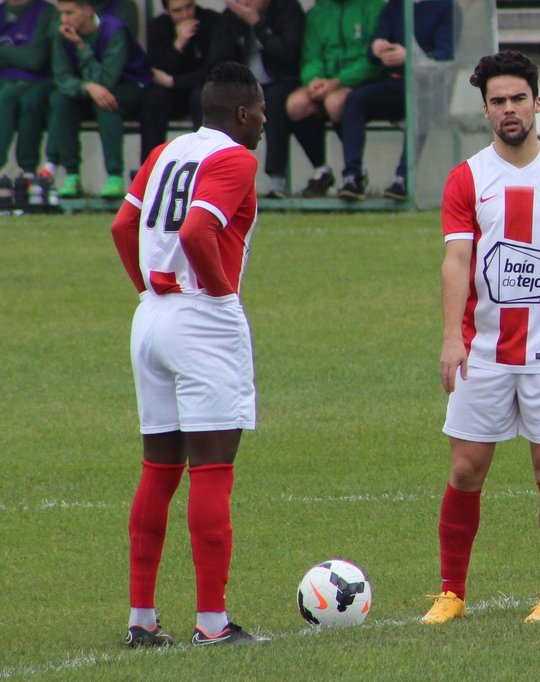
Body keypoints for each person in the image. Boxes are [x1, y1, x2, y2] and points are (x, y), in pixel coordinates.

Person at [422, 51, 540, 625]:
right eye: (498, 101)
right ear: (485, 110)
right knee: (465, 470)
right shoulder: (467, 178)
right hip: (481, 351)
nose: (509, 109)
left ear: (537, 102)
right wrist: (451, 338)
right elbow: (457, 260)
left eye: (518, 99)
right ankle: (451, 593)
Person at [111, 61, 266, 648]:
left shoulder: (164, 152)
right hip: (202, 317)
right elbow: (199, 232)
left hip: (151, 317)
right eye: (261, 113)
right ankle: (212, 624)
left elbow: (123, 227)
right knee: (212, 468)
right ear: (242, 113)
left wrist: (146, 290)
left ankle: (142, 620)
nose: (264, 122)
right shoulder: (236, 159)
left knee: (159, 468)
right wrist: (221, 297)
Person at [336, 0, 453, 201]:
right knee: (355, 100)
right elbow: (374, 51)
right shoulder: (396, 6)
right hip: (398, 84)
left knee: (420, 105)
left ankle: (403, 178)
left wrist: (411, 57)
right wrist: (377, 48)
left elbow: (445, 54)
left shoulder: (445, 6)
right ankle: (352, 177)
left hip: (431, 87)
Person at [208, 0, 324, 199]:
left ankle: (277, 180)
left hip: (282, 80)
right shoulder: (230, 17)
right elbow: (218, 61)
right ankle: (216, 179)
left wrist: (257, 24)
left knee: (273, 101)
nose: (244, 3)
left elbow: (288, 54)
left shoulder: (287, 9)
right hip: (244, 85)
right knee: (209, 99)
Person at [285, 0, 387, 198]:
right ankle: (322, 170)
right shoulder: (318, 13)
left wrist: (339, 81)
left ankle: (354, 174)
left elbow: (373, 61)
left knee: (336, 103)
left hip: (362, 82)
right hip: (327, 84)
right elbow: (311, 57)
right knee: (296, 104)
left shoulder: (374, 7)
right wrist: (314, 80)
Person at [48, 0, 150, 199]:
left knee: (106, 101)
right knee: (61, 100)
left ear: (87, 11)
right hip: (91, 88)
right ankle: (72, 175)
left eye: (69, 13)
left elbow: (106, 80)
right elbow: (61, 77)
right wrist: (87, 87)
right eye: (61, 13)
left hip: (129, 85)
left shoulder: (114, 30)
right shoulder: (62, 34)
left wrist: (81, 47)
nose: (64, 19)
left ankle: (114, 176)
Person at [138, 0, 219, 164]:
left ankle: (205, 165)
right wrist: (178, 44)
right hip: (172, 94)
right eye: (178, 10)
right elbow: (157, 70)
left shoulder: (212, 22)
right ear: (167, 11)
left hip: (200, 87)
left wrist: (174, 81)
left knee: (203, 96)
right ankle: (150, 167)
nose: (186, 14)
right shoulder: (158, 27)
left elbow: (215, 69)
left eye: (189, 7)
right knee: (153, 100)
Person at [0, 0, 57, 177]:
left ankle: (28, 170)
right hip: (5, 80)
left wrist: (3, 53)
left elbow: (34, 60)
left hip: (34, 81)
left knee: (14, 99)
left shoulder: (46, 11)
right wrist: (16, 55)